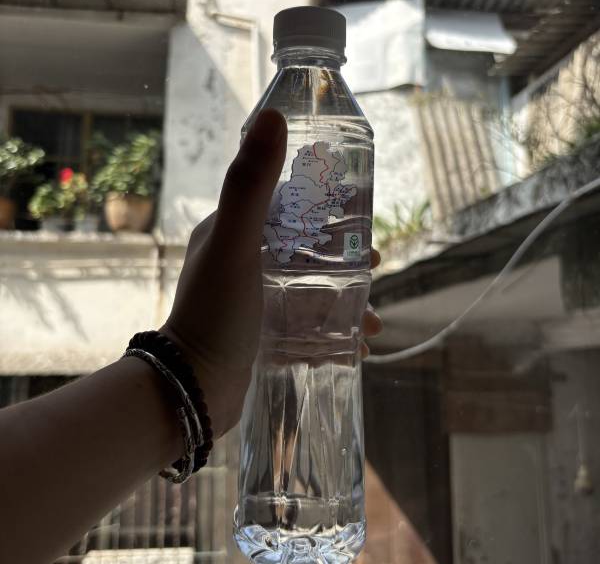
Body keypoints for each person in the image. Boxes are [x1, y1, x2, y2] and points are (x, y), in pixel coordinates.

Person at [0, 110, 383, 564]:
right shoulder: (337, 124)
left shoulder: (340, 125)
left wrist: (197, 364)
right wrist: (194, 359)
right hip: (319, 515)